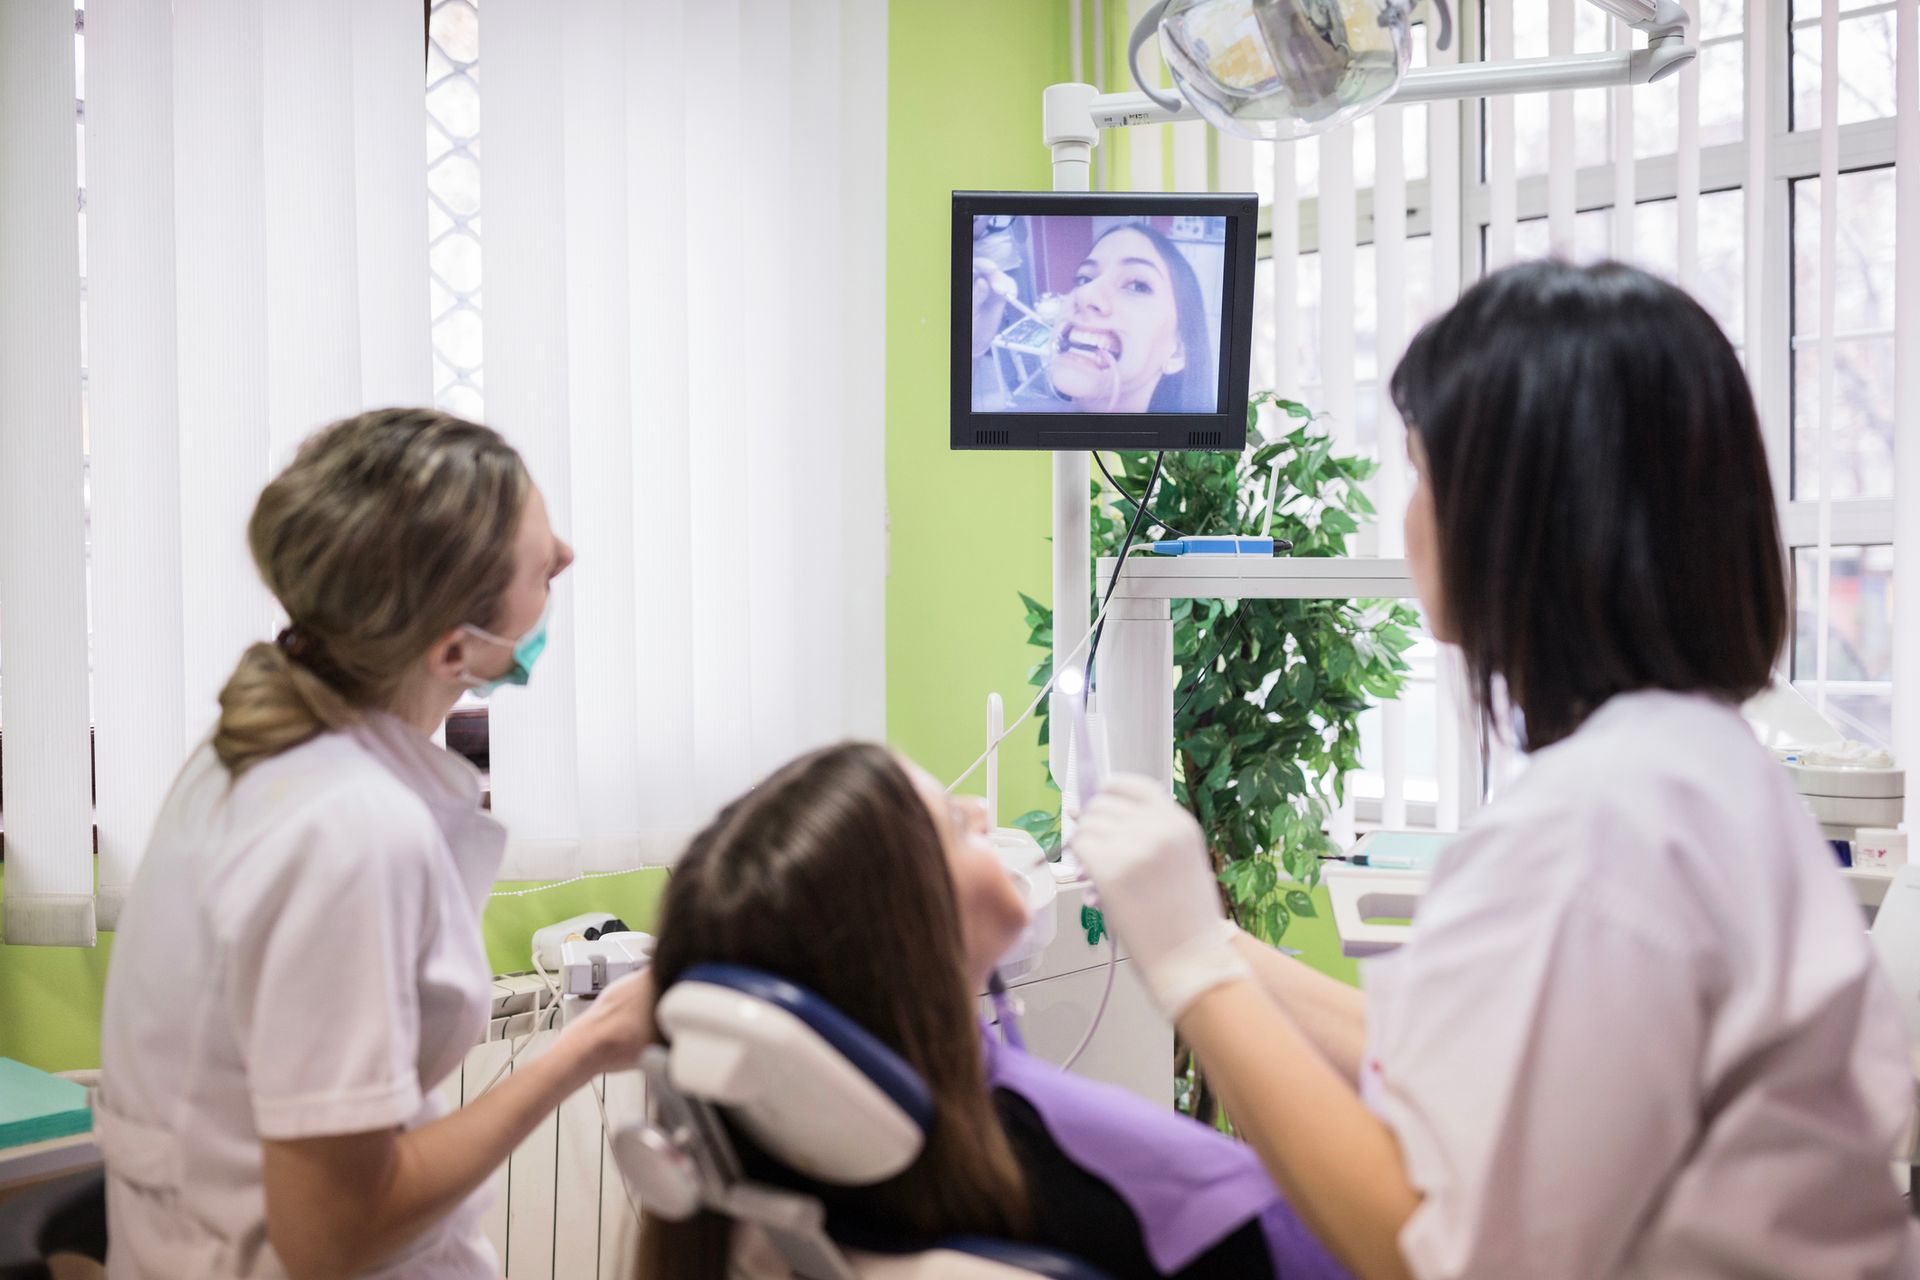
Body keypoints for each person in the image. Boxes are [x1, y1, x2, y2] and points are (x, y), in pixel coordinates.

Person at [1072, 261, 1920, 1279]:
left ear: (1521, 515)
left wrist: (1192, 973)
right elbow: (1441, 1059)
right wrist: (1213, 941)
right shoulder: (1692, 767)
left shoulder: (1601, 827)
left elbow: (1430, 1252)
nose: (1409, 517)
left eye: (1423, 474)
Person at [97, 409, 653, 1279]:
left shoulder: (253, 754)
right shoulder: (349, 831)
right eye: (535, 555)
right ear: (451, 646)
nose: (566, 557)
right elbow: (336, 1236)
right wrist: (583, 1049)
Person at [636, 742, 1350, 1280]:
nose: (983, 811)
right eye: (952, 819)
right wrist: (1197, 956)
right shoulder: (1127, 1173)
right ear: (903, 930)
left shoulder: (815, 1156)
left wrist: (1211, 941)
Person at [972, 220, 1216, 414]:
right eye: (1084, 279)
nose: (1084, 294)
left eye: (1137, 285)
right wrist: (969, 353)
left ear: (1177, 351)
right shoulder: (1018, 417)